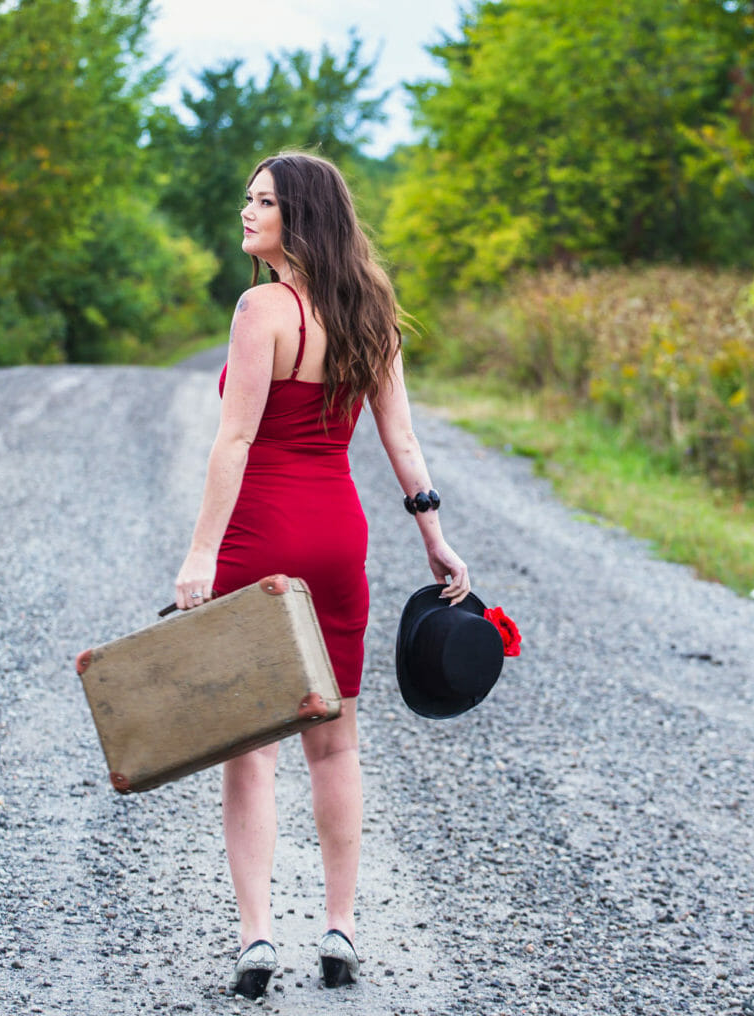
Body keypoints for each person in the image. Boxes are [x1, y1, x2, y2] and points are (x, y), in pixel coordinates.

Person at [171, 151, 470, 998]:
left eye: (263, 201)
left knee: (252, 750)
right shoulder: (371, 306)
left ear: (298, 215)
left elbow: (235, 440)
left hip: (262, 536)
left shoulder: (260, 308)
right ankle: (340, 929)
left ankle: (258, 939)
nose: (247, 211)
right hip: (338, 536)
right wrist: (435, 538)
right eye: (247, 197)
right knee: (336, 743)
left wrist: (200, 553)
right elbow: (402, 440)